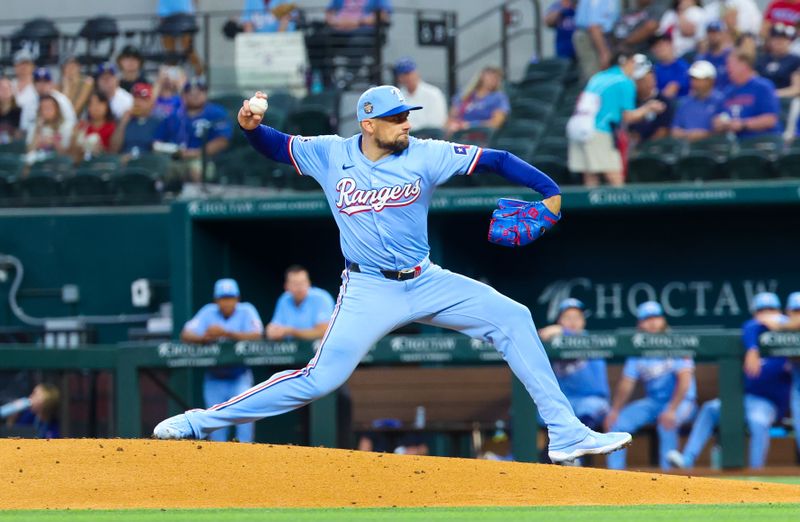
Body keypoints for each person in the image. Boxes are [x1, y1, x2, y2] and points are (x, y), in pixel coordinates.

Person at [153, 84, 633, 465]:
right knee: (320, 379)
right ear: (368, 122)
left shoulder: (424, 152)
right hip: (367, 286)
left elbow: (497, 160)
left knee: (514, 317)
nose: (406, 123)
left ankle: (566, 434)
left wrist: (548, 189)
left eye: (407, 115)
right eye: (396, 117)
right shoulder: (330, 153)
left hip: (426, 279)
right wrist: (251, 128)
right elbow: (276, 147)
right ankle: (198, 422)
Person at [667, 292, 792, 470]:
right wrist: (752, 349)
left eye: (771, 309)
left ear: (780, 312)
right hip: (745, 399)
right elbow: (748, 326)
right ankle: (687, 459)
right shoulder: (752, 334)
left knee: (757, 421)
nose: (767, 314)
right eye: (761, 310)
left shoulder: (789, 337)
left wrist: (779, 326)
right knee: (710, 408)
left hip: (768, 403)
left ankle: (756, 472)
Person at [605, 301, 697, 470]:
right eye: (647, 319)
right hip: (655, 402)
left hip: (683, 401)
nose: (653, 322)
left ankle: (668, 479)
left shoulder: (676, 342)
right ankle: (614, 476)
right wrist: (615, 410)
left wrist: (671, 409)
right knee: (617, 423)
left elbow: (685, 382)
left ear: (663, 320)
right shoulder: (638, 348)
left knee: (666, 422)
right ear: (640, 324)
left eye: (656, 317)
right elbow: (626, 383)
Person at [180, 278, 264, 442]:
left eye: (230, 298)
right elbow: (185, 334)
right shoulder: (208, 311)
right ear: (216, 300)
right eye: (223, 298)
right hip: (214, 378)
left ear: (237, 299)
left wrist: (226, 333)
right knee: (216, 428)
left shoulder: (246, 310)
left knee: (244, 424)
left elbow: (258, 335)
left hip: (239, 376)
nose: (227, 302)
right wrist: (203, 338)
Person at [567, 52, 666, 187]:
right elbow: (628, 117)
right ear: (628, 62)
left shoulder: (599, 76)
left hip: (577, 128)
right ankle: (623, 208)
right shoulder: (625, 82)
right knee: (614, 174)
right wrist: (648, 108)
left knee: (590, 174)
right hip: (598, 130)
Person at [538, 298, 610, 434]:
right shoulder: (553, 341)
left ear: (583, 321)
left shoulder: (592, 340)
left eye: (577, 317)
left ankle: (578, 454)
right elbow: (536, 338)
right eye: (567, 317)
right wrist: (548, 334)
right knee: (527, 413)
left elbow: (577, 340)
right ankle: (514, 454)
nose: (573, 322)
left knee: (586, 414)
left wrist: (562, 332)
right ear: (559, 321)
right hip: (564, 402)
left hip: (593, 400)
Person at [153, 77, 232, 183]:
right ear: (184, 95)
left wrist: (194, 153)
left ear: (206, 94)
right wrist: (169, 150)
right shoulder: (174, 115)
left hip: (204, 159)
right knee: (160, 170)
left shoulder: (217, 113)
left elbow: (222, 141)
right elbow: (157, 141)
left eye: (200, 91)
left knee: (196, 170)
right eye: (190, 92)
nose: (195, 95)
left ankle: (201, 199)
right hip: (174, 158)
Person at [712, 50, 781, 139]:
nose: (728, 68)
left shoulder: (763, 87)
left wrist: (743, 124)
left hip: (762, 142)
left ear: (744, 65)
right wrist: (719, 123)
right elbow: (719, 115)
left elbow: (771, 120)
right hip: (736, 144)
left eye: (731, 64)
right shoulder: (728, 91)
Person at [265, 265, 335, 341]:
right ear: (286, 286)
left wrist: (291, 331)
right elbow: (275, 326)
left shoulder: (322, 297)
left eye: (303, 282)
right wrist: (271, 330)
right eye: (295, 284)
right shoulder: (284, 299)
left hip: (318, 350)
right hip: (292, 351)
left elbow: (324, 332)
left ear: (309, 283)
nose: (300, 287)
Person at [446, 66, 510, 136]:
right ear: (482, 76)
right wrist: (452, 126)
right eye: (490, 74)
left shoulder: (499, 97)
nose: (493, 78)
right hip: (459, 136)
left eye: (497, 77)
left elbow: (495, 123)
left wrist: (470, 125)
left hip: (483, 138)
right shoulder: (465, 94)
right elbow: (451, 117)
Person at [672, 60, 724, 141]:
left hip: (714, 148)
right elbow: (675, 130)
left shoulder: (721, 101)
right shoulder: (684, 103)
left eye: (698, 79)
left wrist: (705, 135)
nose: (694, 83)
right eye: (692, 79)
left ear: (710, 81)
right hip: (687, 149)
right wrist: (688, 135)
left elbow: (724, 128)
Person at [393, 58, 448, 132]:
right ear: (399, 78)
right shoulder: (396, 96)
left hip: (430, 137)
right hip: (406, 137)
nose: (407, 78)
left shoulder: (433, 93)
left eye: (409, 73)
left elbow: (437, 123)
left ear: (416, 73)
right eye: (402, 75)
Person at [628, 58, 675, 144]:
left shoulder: (663, 101)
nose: (647, 83)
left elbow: (662, 131)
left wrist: (643, 147)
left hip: (653, 150)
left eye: (649, 78)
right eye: (641, 80)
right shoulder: (629, 100)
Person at [572, 0, 620, 83]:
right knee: (595, 77)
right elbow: (594, 26)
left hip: (598, 35)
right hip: (592, 37)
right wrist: (604, 53)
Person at [19, 68, 77, 134]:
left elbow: (72, 122)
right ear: (34, 85)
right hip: (36, 139)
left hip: (59, 136)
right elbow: (23, 127)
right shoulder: (29, 103)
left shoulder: (61, 100)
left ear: (51, 83)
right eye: (38, 82)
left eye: (45, 81)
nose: (42, 85)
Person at [110, 82, 162, 156]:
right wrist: (123, 123)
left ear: (151, 103)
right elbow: (113, 149)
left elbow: (159, 151)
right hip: (125, 164)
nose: (137, 102)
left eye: (142, 99)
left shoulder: (158, 122)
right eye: (135, 98)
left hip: (147, 164)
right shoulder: (125, 120)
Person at [158, 0, 204, 75]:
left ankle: (200, 74)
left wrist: (192, 11)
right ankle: (173, 75)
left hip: (184, 17)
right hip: (166, 16)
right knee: (170, 51)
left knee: (186, 48)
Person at [69, 91, 116, 162]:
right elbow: (71, 154)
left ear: (106, 106)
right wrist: (75, 139)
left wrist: (102, 150)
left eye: (99, 103)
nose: (95, 107)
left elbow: (114, 152)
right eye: (91, 104)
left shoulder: (112, 127)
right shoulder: (82, 126)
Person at [756, 23, 800, 96]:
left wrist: (773, 93)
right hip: (762, 97)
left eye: (782, 39)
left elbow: (796, 88)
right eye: (775, 39)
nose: (779, 42)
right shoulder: (762, 59)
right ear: (770, 41)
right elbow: (755, 80)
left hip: (785, 100)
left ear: (788, 41)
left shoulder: (795, 60)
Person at [694, 21, 733, 90]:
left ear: (723, 34)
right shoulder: (701, 58)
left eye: (715, 33)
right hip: (706, 97)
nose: (712, 37)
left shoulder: (731, 56)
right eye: (710, 33)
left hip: (728, 96)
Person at [651, 32, 690, 99]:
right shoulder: (654, 69)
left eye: (661, 45)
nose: (659, 49)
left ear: (670, 44)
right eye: (655, 46)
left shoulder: (682, 66)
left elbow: (671, 90)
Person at [11, 48, 37, 116]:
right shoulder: (9, 85)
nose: (23, 67)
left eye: (27, 64)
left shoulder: (38, 85)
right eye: (20, 64)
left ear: (33, 66)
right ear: (15, 66)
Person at [0, 77, 23, 144]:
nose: (4, 91)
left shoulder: (19, 111)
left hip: (13, 149)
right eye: (1, 88)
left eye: (7, 88)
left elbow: (20, 134)